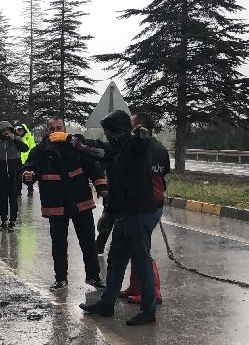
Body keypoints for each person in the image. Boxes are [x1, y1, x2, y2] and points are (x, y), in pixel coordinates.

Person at [80, 110, 160, 326]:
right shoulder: (114, 150)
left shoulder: (133, 147)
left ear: (119, 131)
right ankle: (107, 304)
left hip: (138, 213)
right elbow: (95, 149)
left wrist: (141, 136)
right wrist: (109, 212)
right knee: (116, 260)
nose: (107, 136)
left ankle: (148, 310)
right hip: (123, 214)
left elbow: (140, 145)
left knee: (141, 261)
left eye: (109, 131)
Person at [23, 117, 108, 290]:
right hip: (56, 204)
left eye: (59, 128)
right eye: (52, 129)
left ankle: (93, 276)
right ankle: (61, 278)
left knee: (88, 241)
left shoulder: (76, 146)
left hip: (80, 201)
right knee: (59, 243)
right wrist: (28, 175)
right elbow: (29, 168)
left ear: (65, 130)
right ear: (47, 131)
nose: (55, 131)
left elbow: (93, 167)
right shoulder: (40, 151)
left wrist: (101, 186)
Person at [118, 112, 169, 305]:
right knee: (136, 247)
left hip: (145, 207)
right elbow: (166, 178)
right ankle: (135, 287)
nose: (127, 127)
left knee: (141, 250)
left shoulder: (141, 148)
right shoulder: (161, 148)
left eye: (130, 123)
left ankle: (153, 291)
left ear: (138, 127)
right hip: (155, 204)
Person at [0, 121, 29, 230]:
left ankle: (12, 221)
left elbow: (25, 149)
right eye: (4, 131)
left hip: (14, 174)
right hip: (1, 175)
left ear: (11, 131)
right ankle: (3, 220)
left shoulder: (16, 140)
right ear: (0, 132)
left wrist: (14, 138)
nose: (6, 132)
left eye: (8, 130)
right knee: (2, 198)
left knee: (13, 198)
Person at [16, 123, 36, 196]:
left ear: (24, 130)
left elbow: (32, 148)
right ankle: (18, 191)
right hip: (18, 160)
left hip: (28, 161)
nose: (19, 131)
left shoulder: (29, 137)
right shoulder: (16, 138)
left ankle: (30, 189)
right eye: (18, 130)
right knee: (18, 176)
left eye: (21, 130)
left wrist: (31, 158)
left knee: (28, 175)